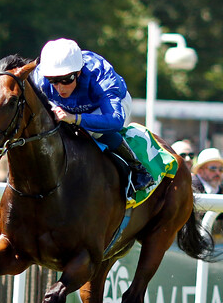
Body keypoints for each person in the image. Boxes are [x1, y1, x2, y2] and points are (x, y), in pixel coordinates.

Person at [33, 38, 153, 193]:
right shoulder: (39, 78)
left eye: (66, 79)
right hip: (69, 108)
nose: (59, 87)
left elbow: (115, 120)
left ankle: (138, 170)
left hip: (105, 107)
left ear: (79, 72)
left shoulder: (101, 76)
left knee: (92, 132)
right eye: (53, 80)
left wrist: (76, 119)